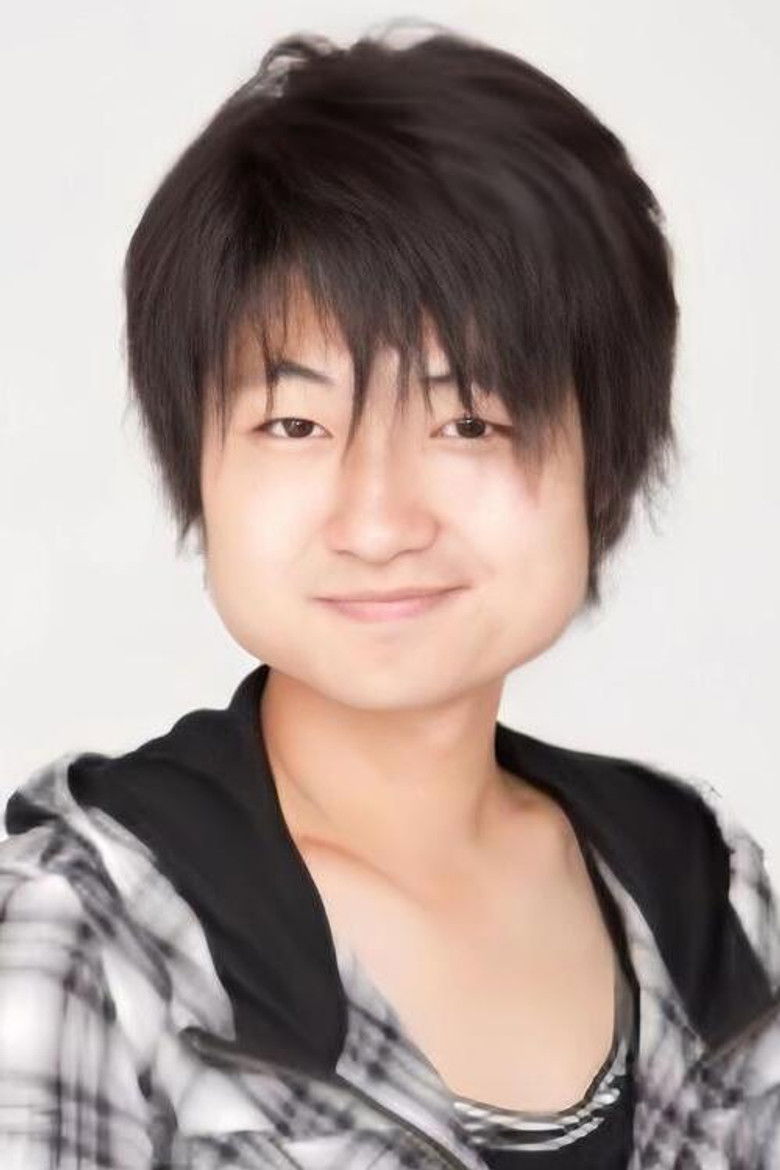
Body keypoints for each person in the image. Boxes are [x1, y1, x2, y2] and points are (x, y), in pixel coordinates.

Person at [1, 19, 778, 1170]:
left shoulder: (700, 886)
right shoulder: (88, 929)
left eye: (467, 422)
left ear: (602, 460)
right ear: (197, 465)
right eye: (294, 423)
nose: (377, 521)